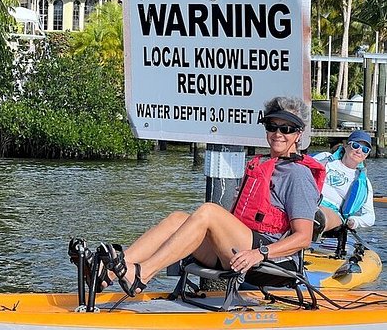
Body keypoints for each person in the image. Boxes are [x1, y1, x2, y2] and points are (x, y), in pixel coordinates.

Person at [85, 96, 325, 297]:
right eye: (272, 127)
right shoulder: (261, 164)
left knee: (209, 211)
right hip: (236, 251)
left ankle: (142, 274)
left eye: (286, 129)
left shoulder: (298, 175)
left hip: (268, 260)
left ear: (298, 134)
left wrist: (258, 254)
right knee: (178, 219)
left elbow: (303, 238)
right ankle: (109, 273)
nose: (278, 134)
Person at [312, 130, 375, 233]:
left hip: (332, 212)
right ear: (346, 146)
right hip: (308, 198)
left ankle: (313, 220)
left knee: (319, 215)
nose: (359, 151)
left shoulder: (365, 183)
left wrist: (355, 221)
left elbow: (370, 217)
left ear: (366, 155)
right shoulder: (325, 157)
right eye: (355, 145)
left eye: (365, 149)